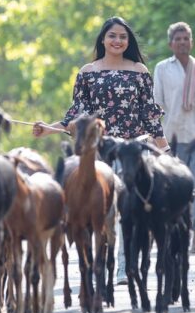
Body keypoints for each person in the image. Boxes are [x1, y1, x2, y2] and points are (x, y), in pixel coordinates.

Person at [32, 16, 169, 284]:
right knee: (93, 209)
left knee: (127, 211)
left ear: (128, 41)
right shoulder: (87, 72)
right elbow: (75, 115)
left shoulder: (140, 71)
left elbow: (149, 115)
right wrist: (47, 128)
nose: (118, 41)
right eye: (112, 36)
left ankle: (123, 265)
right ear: (103, 40)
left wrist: (164, 149)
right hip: (98, 152)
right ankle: (93, 261)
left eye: (123, 37)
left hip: (131, 151)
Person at [153, 21, 195, 254]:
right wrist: (154, 138)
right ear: (171, 44)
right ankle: (171, 234)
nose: (182, 42)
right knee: (171, 187)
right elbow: (156, 105)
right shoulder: (162, 69)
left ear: (192, 42)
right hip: (170, 139)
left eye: (186, 38)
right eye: (177, 39)